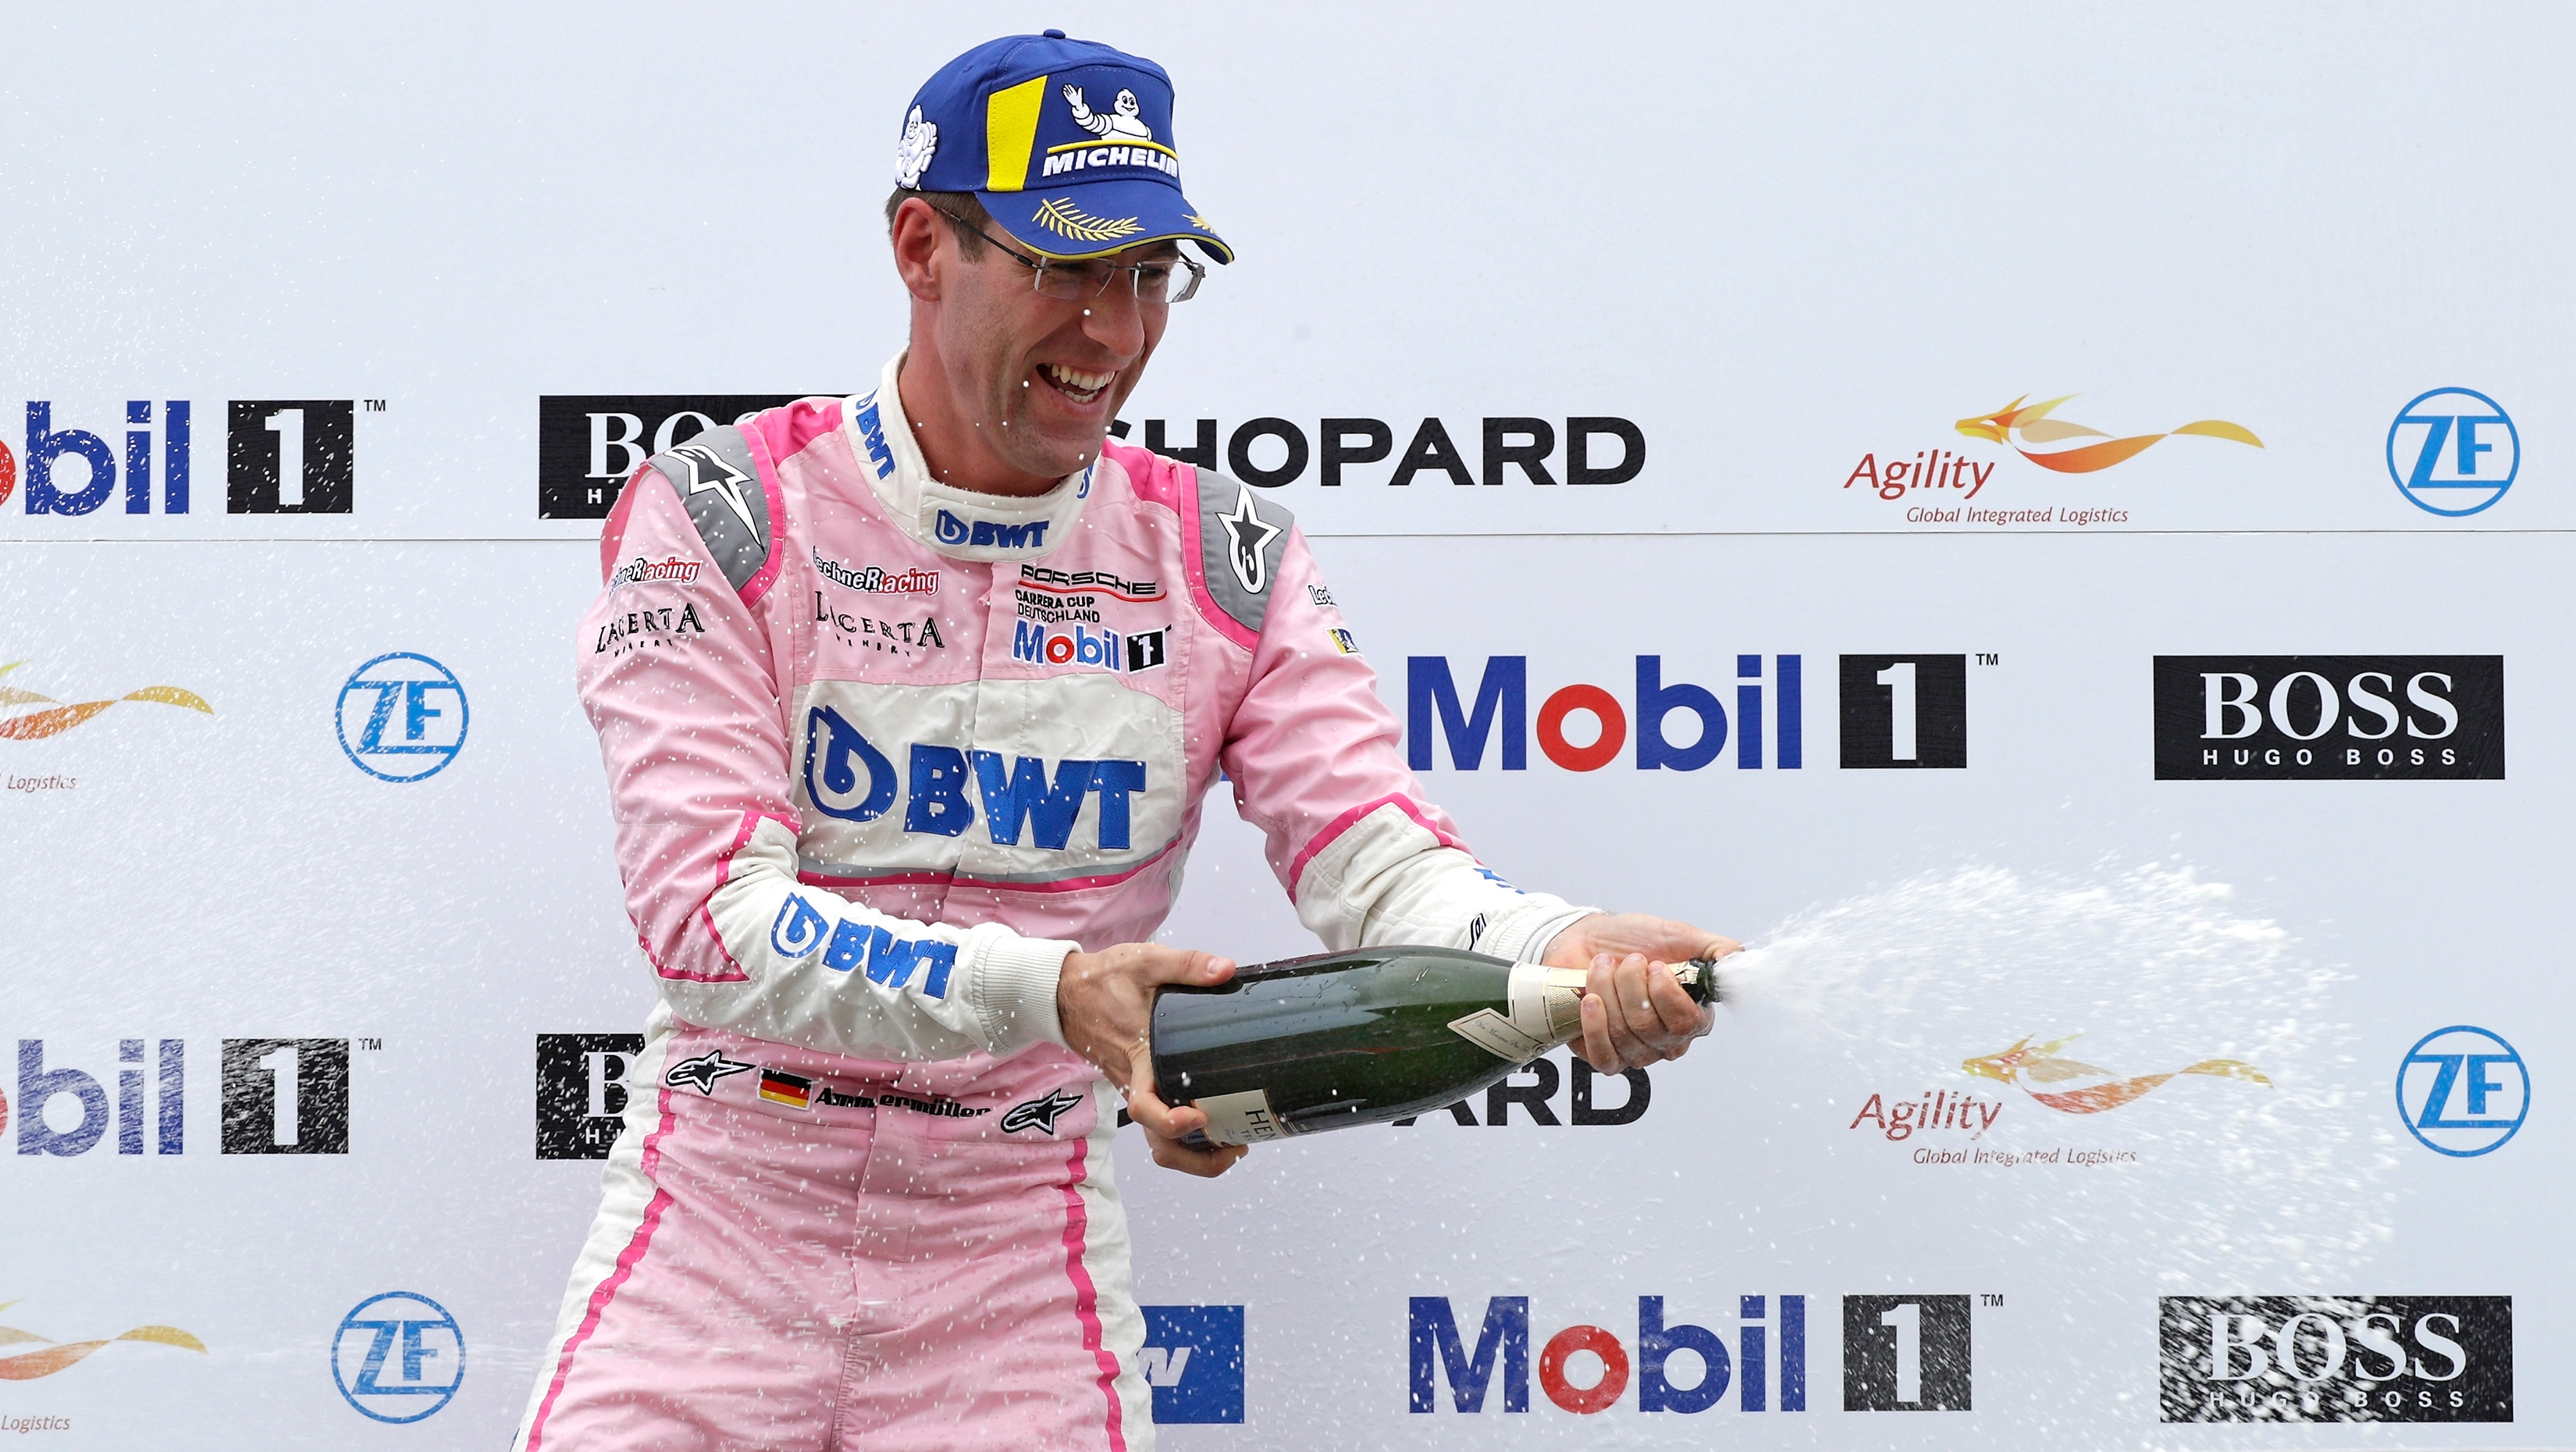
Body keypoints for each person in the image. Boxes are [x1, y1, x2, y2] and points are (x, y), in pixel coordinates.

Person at [515, 30, 1733, 1452]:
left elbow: (1382, 872)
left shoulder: (1223, 557)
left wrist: (1552, 948)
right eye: (1064, 266)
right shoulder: (724, 514)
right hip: (720, 1218)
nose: (1112, 329)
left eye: (1148, 276)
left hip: (1011, 1254)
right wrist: (1058, 989)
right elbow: (706, 924)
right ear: (921, 246)